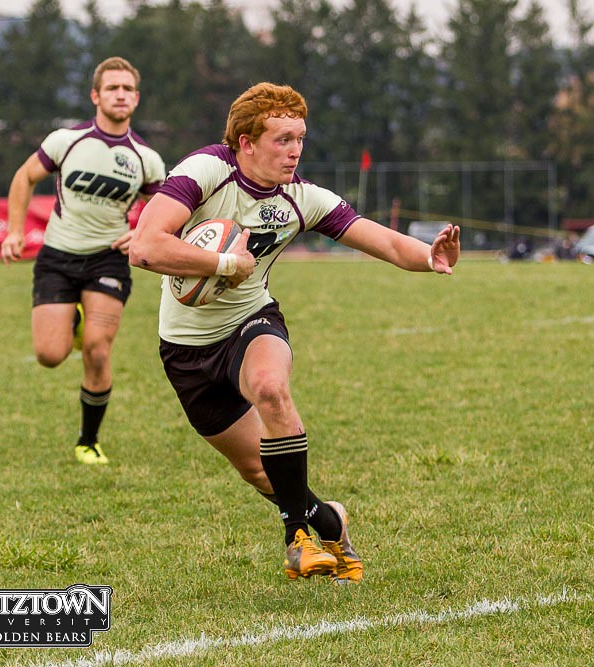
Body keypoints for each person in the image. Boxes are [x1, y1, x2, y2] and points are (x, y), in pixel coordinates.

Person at [128, 82, 460, 583]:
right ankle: (328, 520)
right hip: (185, 350)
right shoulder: (205, 172)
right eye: (282, 138)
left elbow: (382, 241)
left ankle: (297, 539)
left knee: (270, 387)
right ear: (245, 142)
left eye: (300, 137)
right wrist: (224, 262)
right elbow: (146, 247)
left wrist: (427, 256)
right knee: (260, 472)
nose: (295, 149)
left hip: (251, 321)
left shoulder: (302, 198)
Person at [0, 56, 166, 465]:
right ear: (96, 95)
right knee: (50, 355)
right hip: (56, 257)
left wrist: (142, 231)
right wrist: (15, 231)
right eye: (112, 88)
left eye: (127, 88)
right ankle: (73, 321)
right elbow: (24, 177)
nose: (120, 95)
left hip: (107, 261)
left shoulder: (146, 159)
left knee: (97, 349)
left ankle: (88, 441)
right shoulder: (65, 141)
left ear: (137, 98)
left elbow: (166, 206)